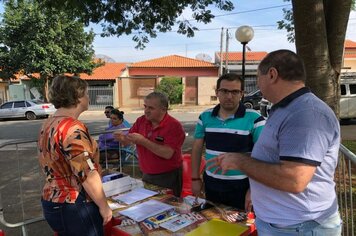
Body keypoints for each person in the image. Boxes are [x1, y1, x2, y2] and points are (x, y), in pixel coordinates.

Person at [207, 50, 342, 235]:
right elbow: (275, 156)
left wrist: (240, 162)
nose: (258, 84)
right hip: (285, 224)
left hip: (300, 227)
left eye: (258, 78)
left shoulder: (305, 114)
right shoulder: (286, 109)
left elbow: (294, 179)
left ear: (272, 74)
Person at [38, 75, 112, 236]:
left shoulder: (50, 122)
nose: (87, 97)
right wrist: (104, 206)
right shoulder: (73, 129)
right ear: (77, 96)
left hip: (53, 199)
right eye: (85, 93)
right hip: (75, 204)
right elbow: (87, 172)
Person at [191, 73, 265, 210]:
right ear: (217, 92)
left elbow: (264, 156)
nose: (229, 96)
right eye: (224, 91)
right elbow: (196, 148)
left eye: (235, 92)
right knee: (213, 225)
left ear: (242, 94)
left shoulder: (255, 119)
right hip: (211, 184)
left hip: (242, 187)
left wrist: (254, 189)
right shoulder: (205, 117)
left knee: (240, 229)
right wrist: (195, 178)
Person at [114, 92, 185, 197]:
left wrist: (143, 141)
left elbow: (167, 153)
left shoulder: (174, 126)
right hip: (147, 174)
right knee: (149, 205)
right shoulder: (141, 121)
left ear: (163, 109)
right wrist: (122, 139)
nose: (146, 111)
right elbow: (129, 141)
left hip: (168, 176)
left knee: (168, 208)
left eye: (151, 108)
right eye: (145, 106)